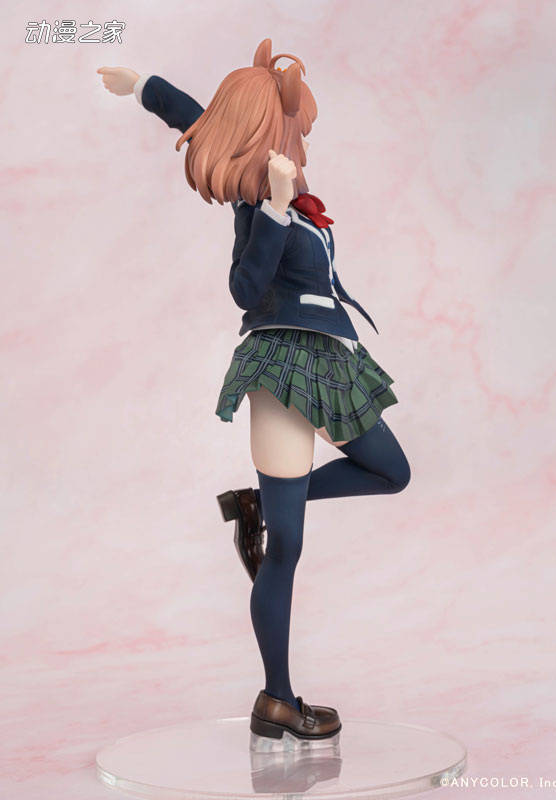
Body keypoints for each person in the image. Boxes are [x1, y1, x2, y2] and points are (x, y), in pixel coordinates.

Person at [97, 37, 411, 742]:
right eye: (292, 128)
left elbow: (204, 119)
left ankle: (255, 503)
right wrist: (270, 207)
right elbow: (244, 287)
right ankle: (278, 698)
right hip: (280, 364)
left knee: (391, 470)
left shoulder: (298, 197)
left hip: (331, 360)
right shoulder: (259, 205)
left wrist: (144, 83)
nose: (300, 141)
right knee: (286, 547)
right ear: (266, 133)